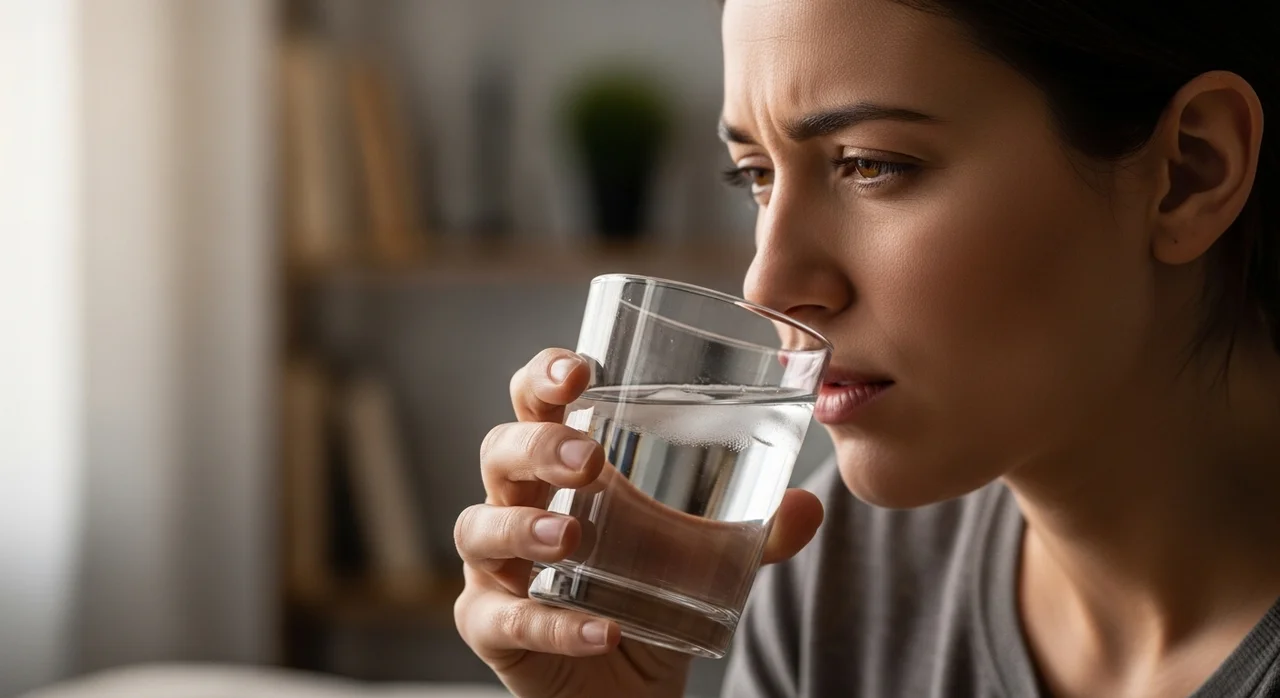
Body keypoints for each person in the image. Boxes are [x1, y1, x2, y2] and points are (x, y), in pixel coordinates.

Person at [452, 0, 1280, 695]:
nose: (766, 285)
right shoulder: (838, 581)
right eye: (755, 174)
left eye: (871, 165)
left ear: (1190, 173)